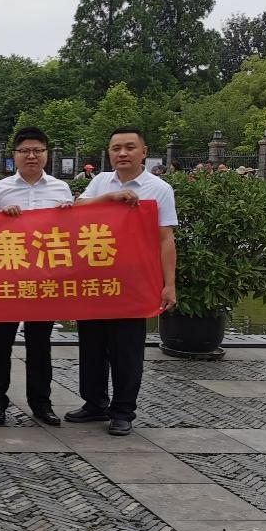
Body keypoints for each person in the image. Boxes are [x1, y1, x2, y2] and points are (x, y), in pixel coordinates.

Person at [65, 127, 177, 436]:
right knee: (91, 346)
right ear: (109, 153)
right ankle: (95, 403)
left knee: (127, 349)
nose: (122, 153)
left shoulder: (159, 188)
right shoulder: (100, 181)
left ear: (144, 152)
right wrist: (110, 198)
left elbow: (166, 238)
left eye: (130, 147)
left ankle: (123, 410)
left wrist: (169, 284)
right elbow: (76, 210)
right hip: (96, 281)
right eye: (116, 148)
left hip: (133, 283)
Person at [0, 127, 74, 428]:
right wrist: (0, 218)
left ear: (47, 154)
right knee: (0, 343)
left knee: (40, 344)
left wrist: (69, 215)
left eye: (37, 150)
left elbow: (72, 234)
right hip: (7, 278)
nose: (31, 156)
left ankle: (41, 403)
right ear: (15, 155)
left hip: (44, 280)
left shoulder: (61, 189)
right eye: (25, 151)